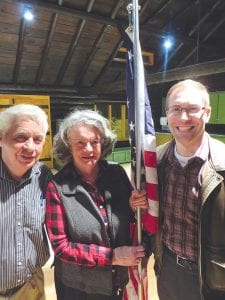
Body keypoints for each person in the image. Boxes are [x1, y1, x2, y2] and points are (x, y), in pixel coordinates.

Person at [45, 109, 148, 300]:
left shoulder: (117, 173)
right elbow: (60, 246)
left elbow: (129, 218)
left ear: (103, 143)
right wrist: (112, 256)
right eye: (80, 143)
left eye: (95, 142)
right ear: (68, 146)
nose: (89, 149)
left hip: (117, 281)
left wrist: (134, 206)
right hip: (78, 289)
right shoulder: (56, 186)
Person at [151, 79, 225, 300]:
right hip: (168, 271)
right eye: (176, 109)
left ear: (207, 113)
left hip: (215, 278)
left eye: (192, 109)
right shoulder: (156, 161)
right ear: (167, 114)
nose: (183, 118)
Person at [0, 104, 52, 299]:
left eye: (37, 139)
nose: (30, 147)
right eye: (20, 138)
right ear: (0, 138)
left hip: (30, 286)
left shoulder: (44, 176)